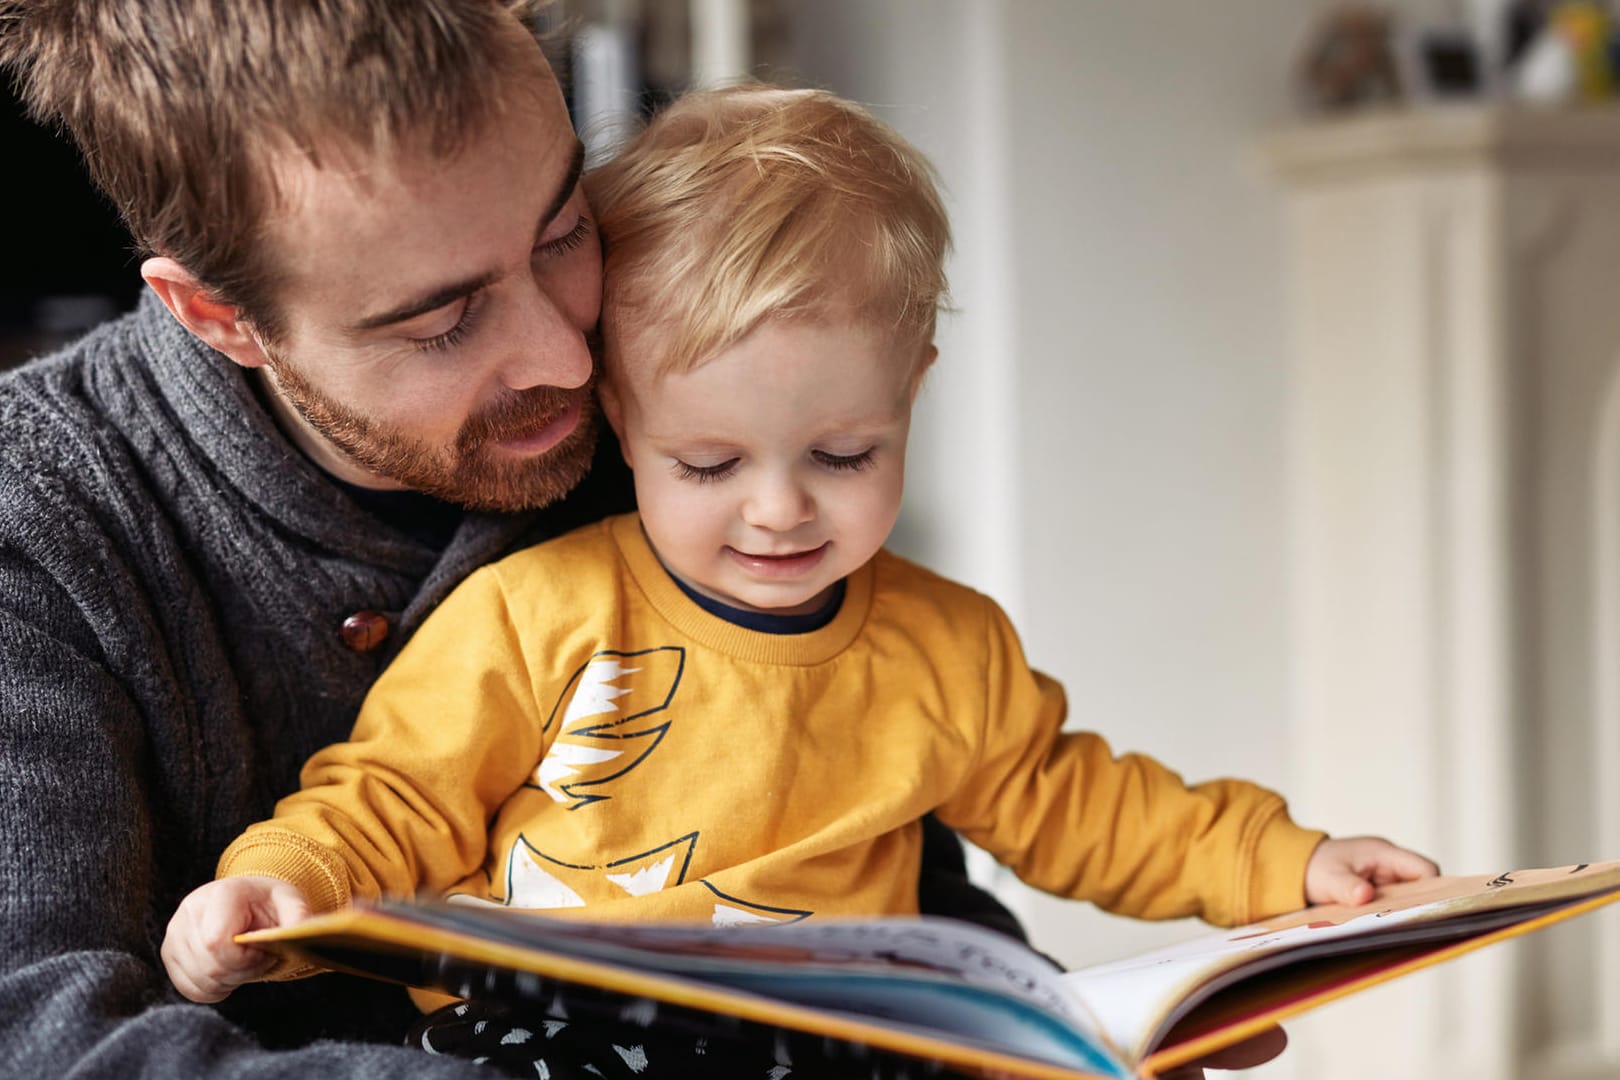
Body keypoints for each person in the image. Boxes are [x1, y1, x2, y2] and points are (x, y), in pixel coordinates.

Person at [162, 85, 1439, 1079]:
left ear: (913, 392)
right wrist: (284, 882)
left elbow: (1082, 805)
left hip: (845, 1038)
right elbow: (395, 800)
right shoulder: (536, 612)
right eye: (708, 462)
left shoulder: (949, 647)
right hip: (565, 1033)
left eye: (845, 455)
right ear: (617, 408)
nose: (780, 510)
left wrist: (1295, 865)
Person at [0, 4, 1019, 1075]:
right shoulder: (36, 518)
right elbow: (42, 1041)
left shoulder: (676, 410)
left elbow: (897, 864)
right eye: (443, 320)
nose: (568, 360)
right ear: (216, 315)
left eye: (562, 230)